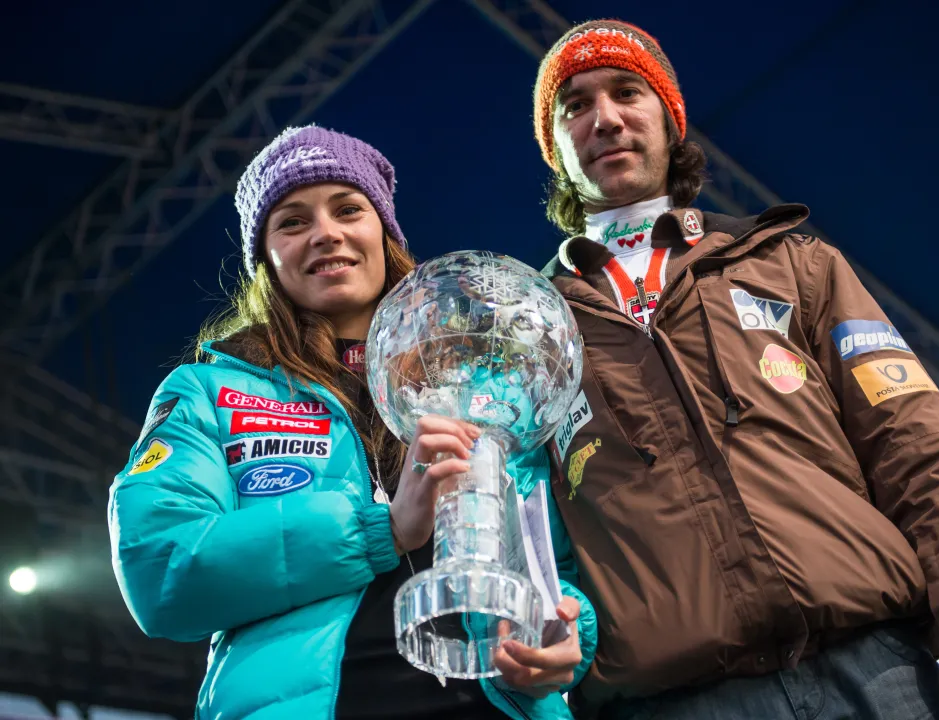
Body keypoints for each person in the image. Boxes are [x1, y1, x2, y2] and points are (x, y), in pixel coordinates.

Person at [530, 19, 939, 720]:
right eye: (573, 106)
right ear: (554, 150)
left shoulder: (795, 266)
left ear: (669, 118)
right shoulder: (523, 331)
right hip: (671, 703)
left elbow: (931, 479)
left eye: (627, 92)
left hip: (876, 678)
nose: (604, 118)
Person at [107, 124, 597, 720]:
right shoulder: (209, 390)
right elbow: (160, 568)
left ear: (384, 232)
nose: (326, 233)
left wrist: (561, 634)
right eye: (292, 221)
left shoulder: (488, 389)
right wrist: (382, 529)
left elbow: (555, 567)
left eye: (348, 209)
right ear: (265, 256)